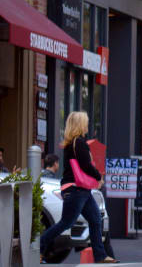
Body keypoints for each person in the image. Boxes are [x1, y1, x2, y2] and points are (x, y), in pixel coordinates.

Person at [39, 112, 116, 263]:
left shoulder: (71, 143)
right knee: (66, 223)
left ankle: (100, 256)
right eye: (86, 122)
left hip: (81, 190)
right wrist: (98, 176)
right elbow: (86, 166)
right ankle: (39, 247)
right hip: (75, 189)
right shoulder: (78, 143)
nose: (87, 125)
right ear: (80, 124)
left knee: (95, 220)